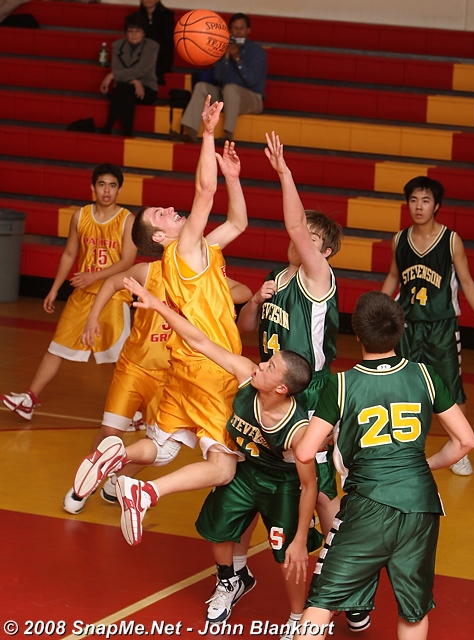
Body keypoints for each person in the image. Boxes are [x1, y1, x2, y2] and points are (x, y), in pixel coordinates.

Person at [75, 277, 318, 640]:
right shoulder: (245, 374)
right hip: (246, 471)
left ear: (281, 388)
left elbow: (310, 485)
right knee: (217, 529)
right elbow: (201, 342)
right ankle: (229, 581)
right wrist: (157, 306)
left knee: (289, 558)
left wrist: (300, 537)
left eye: (270, 367)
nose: (261, 364)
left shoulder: (298, 433)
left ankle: (298, 618)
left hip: (281, 484)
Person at [71, 95, 248, 541]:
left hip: (181, 366)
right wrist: (207, 135)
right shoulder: (185, 249)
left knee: (163, 447)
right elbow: (204, 192)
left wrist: (233, 178)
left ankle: (114, 457)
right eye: (161, 215)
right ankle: (145, 492)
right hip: (211, 369)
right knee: (224, 467)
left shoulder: (198, 248)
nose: (170, 210)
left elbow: (238, 224)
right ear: (162, 236)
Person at [294, 290, 474, 640]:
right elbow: (465, 441)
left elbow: (304, 453)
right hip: (421, 503)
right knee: (413, 610)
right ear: (401, 329)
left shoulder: (341, 384)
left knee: (321, 602)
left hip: (369, 503)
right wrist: (426, 464)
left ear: (356, 334)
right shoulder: (425, 375)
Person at [234, 131, 356, 629]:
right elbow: (245, 328)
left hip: (310, 396)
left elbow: (292, 222)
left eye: (309, 235)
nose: (298, 236)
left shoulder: (318, 279)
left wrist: (284, 172)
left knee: (322, 490)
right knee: (249, 471)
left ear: (323, 251)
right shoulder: (277, 279)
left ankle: (348, 581)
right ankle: (234, 571)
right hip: (270, 390)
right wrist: (255, 300)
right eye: (302, 233)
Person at [63, 256, 251, 515]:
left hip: (171, 374)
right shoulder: (149, 271)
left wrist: (211, 293)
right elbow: (112, 282)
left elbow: (244, 291)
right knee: (111, 430)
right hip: (139, 367)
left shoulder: (203, 279)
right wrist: (93, 317)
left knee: (161, 444)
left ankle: (118, 480)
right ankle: (86, 485)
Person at [1, 164, 136, 420]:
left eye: (112, 185)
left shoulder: (127, 220)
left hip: (114, 295)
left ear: (119, 189)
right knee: (57, 346)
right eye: (102, 184)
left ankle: (134, 411)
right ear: (93, 187)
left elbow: (127, 261)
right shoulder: (80, 216)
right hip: (82, 295)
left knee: (119, 358)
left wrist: (94, 276)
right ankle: (29, 399)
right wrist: (54, 289)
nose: (107, 191)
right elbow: (69, 253)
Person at [381, 175, 474, 477]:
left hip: (442, 327)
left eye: (425, 200)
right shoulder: (399, 239)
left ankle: (459, 449)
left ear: (436, 206)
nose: (419, 206)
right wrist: (375, 313)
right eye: (413, 200)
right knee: (401, 386)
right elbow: (393, 277)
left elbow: (466, 282)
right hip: (407, 326)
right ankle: (399, 448)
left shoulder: (450, 240)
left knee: (450, 389)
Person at [181, 13, 267, 143]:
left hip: (251, 98)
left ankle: (228, 134)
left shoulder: (257, 52)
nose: (238, 32)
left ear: (248, 30)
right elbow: (218, 77)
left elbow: (252, 81)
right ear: (230, 30)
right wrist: (226, 57)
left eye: (241, 28)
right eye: (235, 28)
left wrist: (237, 59)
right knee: (201, 87)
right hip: (227, 96)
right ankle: (191, 132)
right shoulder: (224, 49)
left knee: (230, 89)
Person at [100, 12, 159, 136]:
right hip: (126, 88)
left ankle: (108, 125)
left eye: (137, 31)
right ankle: (126, 134)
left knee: (122, 89)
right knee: (127, 97)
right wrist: (134, 81)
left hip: (146, 88)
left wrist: (112, 75)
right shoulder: (117, 46)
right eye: (130, 31)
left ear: (143, 32)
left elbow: (141, 70)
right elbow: (117, 67)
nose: (133, 34)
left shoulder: (152, 47)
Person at [138, 0, 175, 85]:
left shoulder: (167, 16)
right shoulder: (137, 16)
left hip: (161, 57)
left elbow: (168, 42)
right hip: (142, 56)